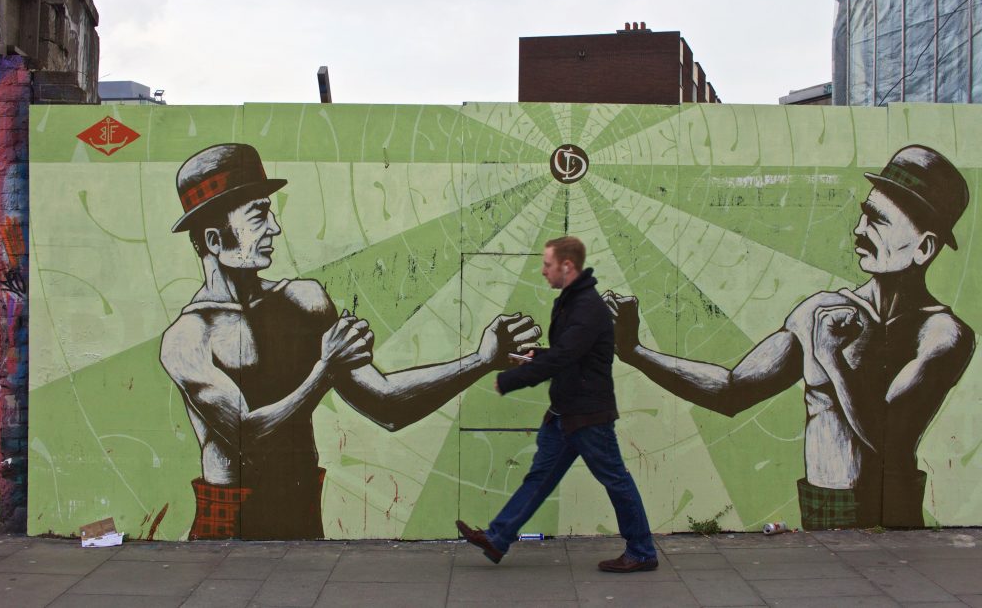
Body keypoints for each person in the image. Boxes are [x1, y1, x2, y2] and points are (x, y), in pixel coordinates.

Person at [159, 143, 541, 540]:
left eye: (269, 212)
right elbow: (245, 435)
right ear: (215, 241)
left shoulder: (303, 299)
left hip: (300, 502)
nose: (275, 228)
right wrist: (323, 370)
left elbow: (387, 405)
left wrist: (482, 360)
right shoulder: (187, 338)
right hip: (231, 517)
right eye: (258, 216)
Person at [604, 144, 975, 529]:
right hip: (827, 506)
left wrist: (831, 359)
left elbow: (890, 438)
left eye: (877, 221)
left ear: (924, 247)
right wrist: (634, 351)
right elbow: (733, 390)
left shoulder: (943, 335)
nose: (859, 230)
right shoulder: (818, 311)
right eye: (864, 215)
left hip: (896, 507)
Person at [456, 236, 659, 572]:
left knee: (615, 479)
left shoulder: (586, 307)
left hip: (588, 414)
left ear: (567, 266)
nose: (543, 270)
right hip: (566, 411)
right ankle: (498, 537)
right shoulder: (570, 302)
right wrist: (540, 355)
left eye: (547, 264)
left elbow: (567, 355)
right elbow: (570, 351)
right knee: (540, 477)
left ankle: (641, 551)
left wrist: (512, 379)